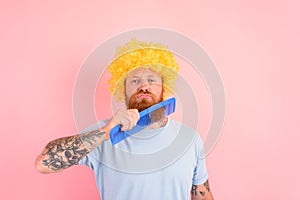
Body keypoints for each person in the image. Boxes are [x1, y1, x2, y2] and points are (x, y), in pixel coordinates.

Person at [35, 38, 215, 200]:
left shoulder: (189, 139)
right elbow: (43, 163)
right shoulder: (103, 134)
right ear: (123, 91)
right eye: (135, 81)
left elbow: (202, 194)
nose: (144, 86)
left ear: (164, 88)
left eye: (152, 80)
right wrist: (105, 133)